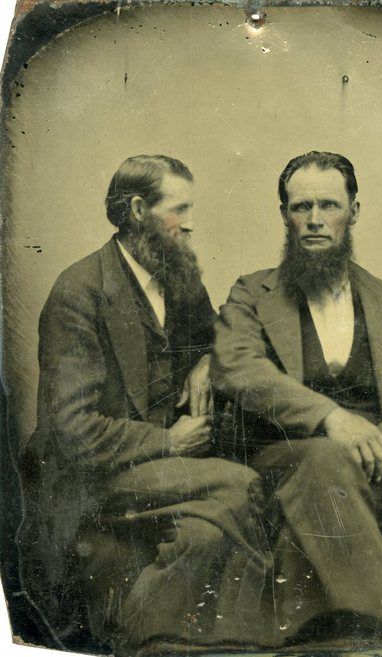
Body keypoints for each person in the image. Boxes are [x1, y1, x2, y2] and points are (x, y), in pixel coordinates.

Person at [19, 155, 266, 655]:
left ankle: (143, 633)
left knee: (204, 536)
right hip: (88, 476)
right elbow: (71, 429)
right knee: (243, 485)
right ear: (137, 210)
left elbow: (218, 336)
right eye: (179, 209)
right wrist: (168, 439)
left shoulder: (179, 278)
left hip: (159, 472)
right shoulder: (79, 292)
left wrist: (207, 363)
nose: (191, 222)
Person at [211, 151, 382, 646]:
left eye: (329, 205)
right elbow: (238, 368)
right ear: (284, 215)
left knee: (333, 463)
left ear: (355, 211)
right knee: (324, 456)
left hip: (373, 471)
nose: (315, 220)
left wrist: (378, 448)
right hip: (277, 462)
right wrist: (329, 418)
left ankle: (328, 635)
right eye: (301, 207)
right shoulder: (252, 293)